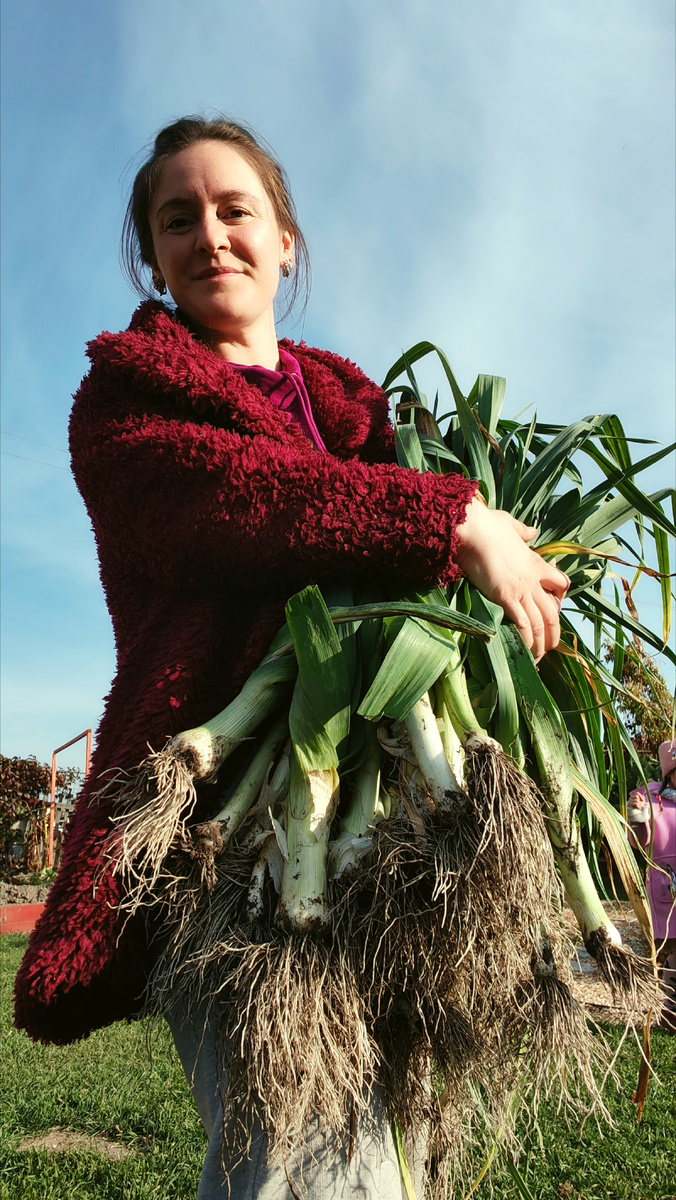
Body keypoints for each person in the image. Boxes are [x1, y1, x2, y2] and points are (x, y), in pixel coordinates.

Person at [14, 116, 570, 1196]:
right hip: (227, 833)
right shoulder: (125, 404)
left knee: (390, 1156)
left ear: (285, 241)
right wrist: (454, 519)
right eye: (178, 219)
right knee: (307, 1165)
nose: (210, 236)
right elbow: (248, 502)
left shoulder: (356, 415)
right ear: (153, 256)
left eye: (235, 210)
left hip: (393, 832)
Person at [627, 739, 676, 1034]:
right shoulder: (653, 799)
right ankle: (671, 1015)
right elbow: (639, 842)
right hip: (667, 890)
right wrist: (638, 817)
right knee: (673, 953)